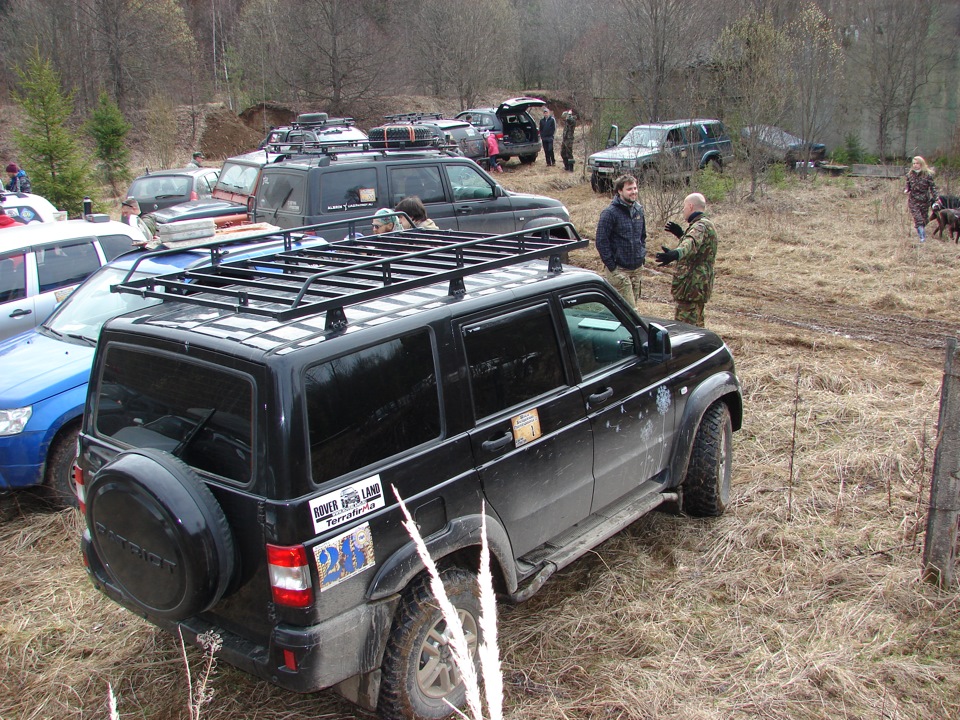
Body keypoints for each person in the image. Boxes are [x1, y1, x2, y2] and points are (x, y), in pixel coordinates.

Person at [655, 192, 718, 327]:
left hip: (691, 286)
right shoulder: (704, 224)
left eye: (684, 207)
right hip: (697, 286)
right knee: (697, 326)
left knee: (686, 329)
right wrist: (681, 235)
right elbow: (698, 249)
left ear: (690, 206)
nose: (683, 210)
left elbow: (691, 243)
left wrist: (675, 254)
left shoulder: (700, 226)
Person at [595, 174, 646, 307]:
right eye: (629, 189)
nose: (633, 192)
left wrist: (642, 256)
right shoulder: (610, 213)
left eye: (635, 188)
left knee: (633, 310)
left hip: (637, 268)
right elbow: (601, 241)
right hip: (619, 270)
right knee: (629, 311)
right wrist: (612, 267)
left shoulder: (638, 210)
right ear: (619, 191)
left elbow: (642, 236)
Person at [904, 155, 937, 242]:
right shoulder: (910, 175)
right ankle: (922, 237)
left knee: (924, 220)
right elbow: (908, 185)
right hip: (913, 200)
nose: (915, 165)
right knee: (918, 218)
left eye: (917, 163)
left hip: (924, 201)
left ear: (921, 164)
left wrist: (936, 199)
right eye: (914, 163)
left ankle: (922, 229)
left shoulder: (928, 175)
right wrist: (907, 189)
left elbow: (932, 188)